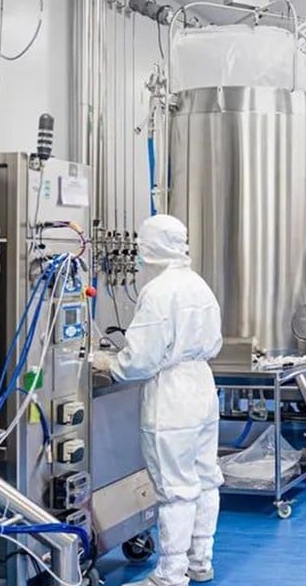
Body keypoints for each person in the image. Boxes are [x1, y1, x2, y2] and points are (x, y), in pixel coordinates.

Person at [91, 215, 223, 586]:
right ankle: (200, 561)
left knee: (175, 488)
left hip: (172, 395)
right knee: (205, 479)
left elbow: (140, 360)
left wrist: (108, 363)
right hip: (202, 387)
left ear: (152, 246)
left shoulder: (159, 291)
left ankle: (171, 574)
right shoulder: (198, 285)